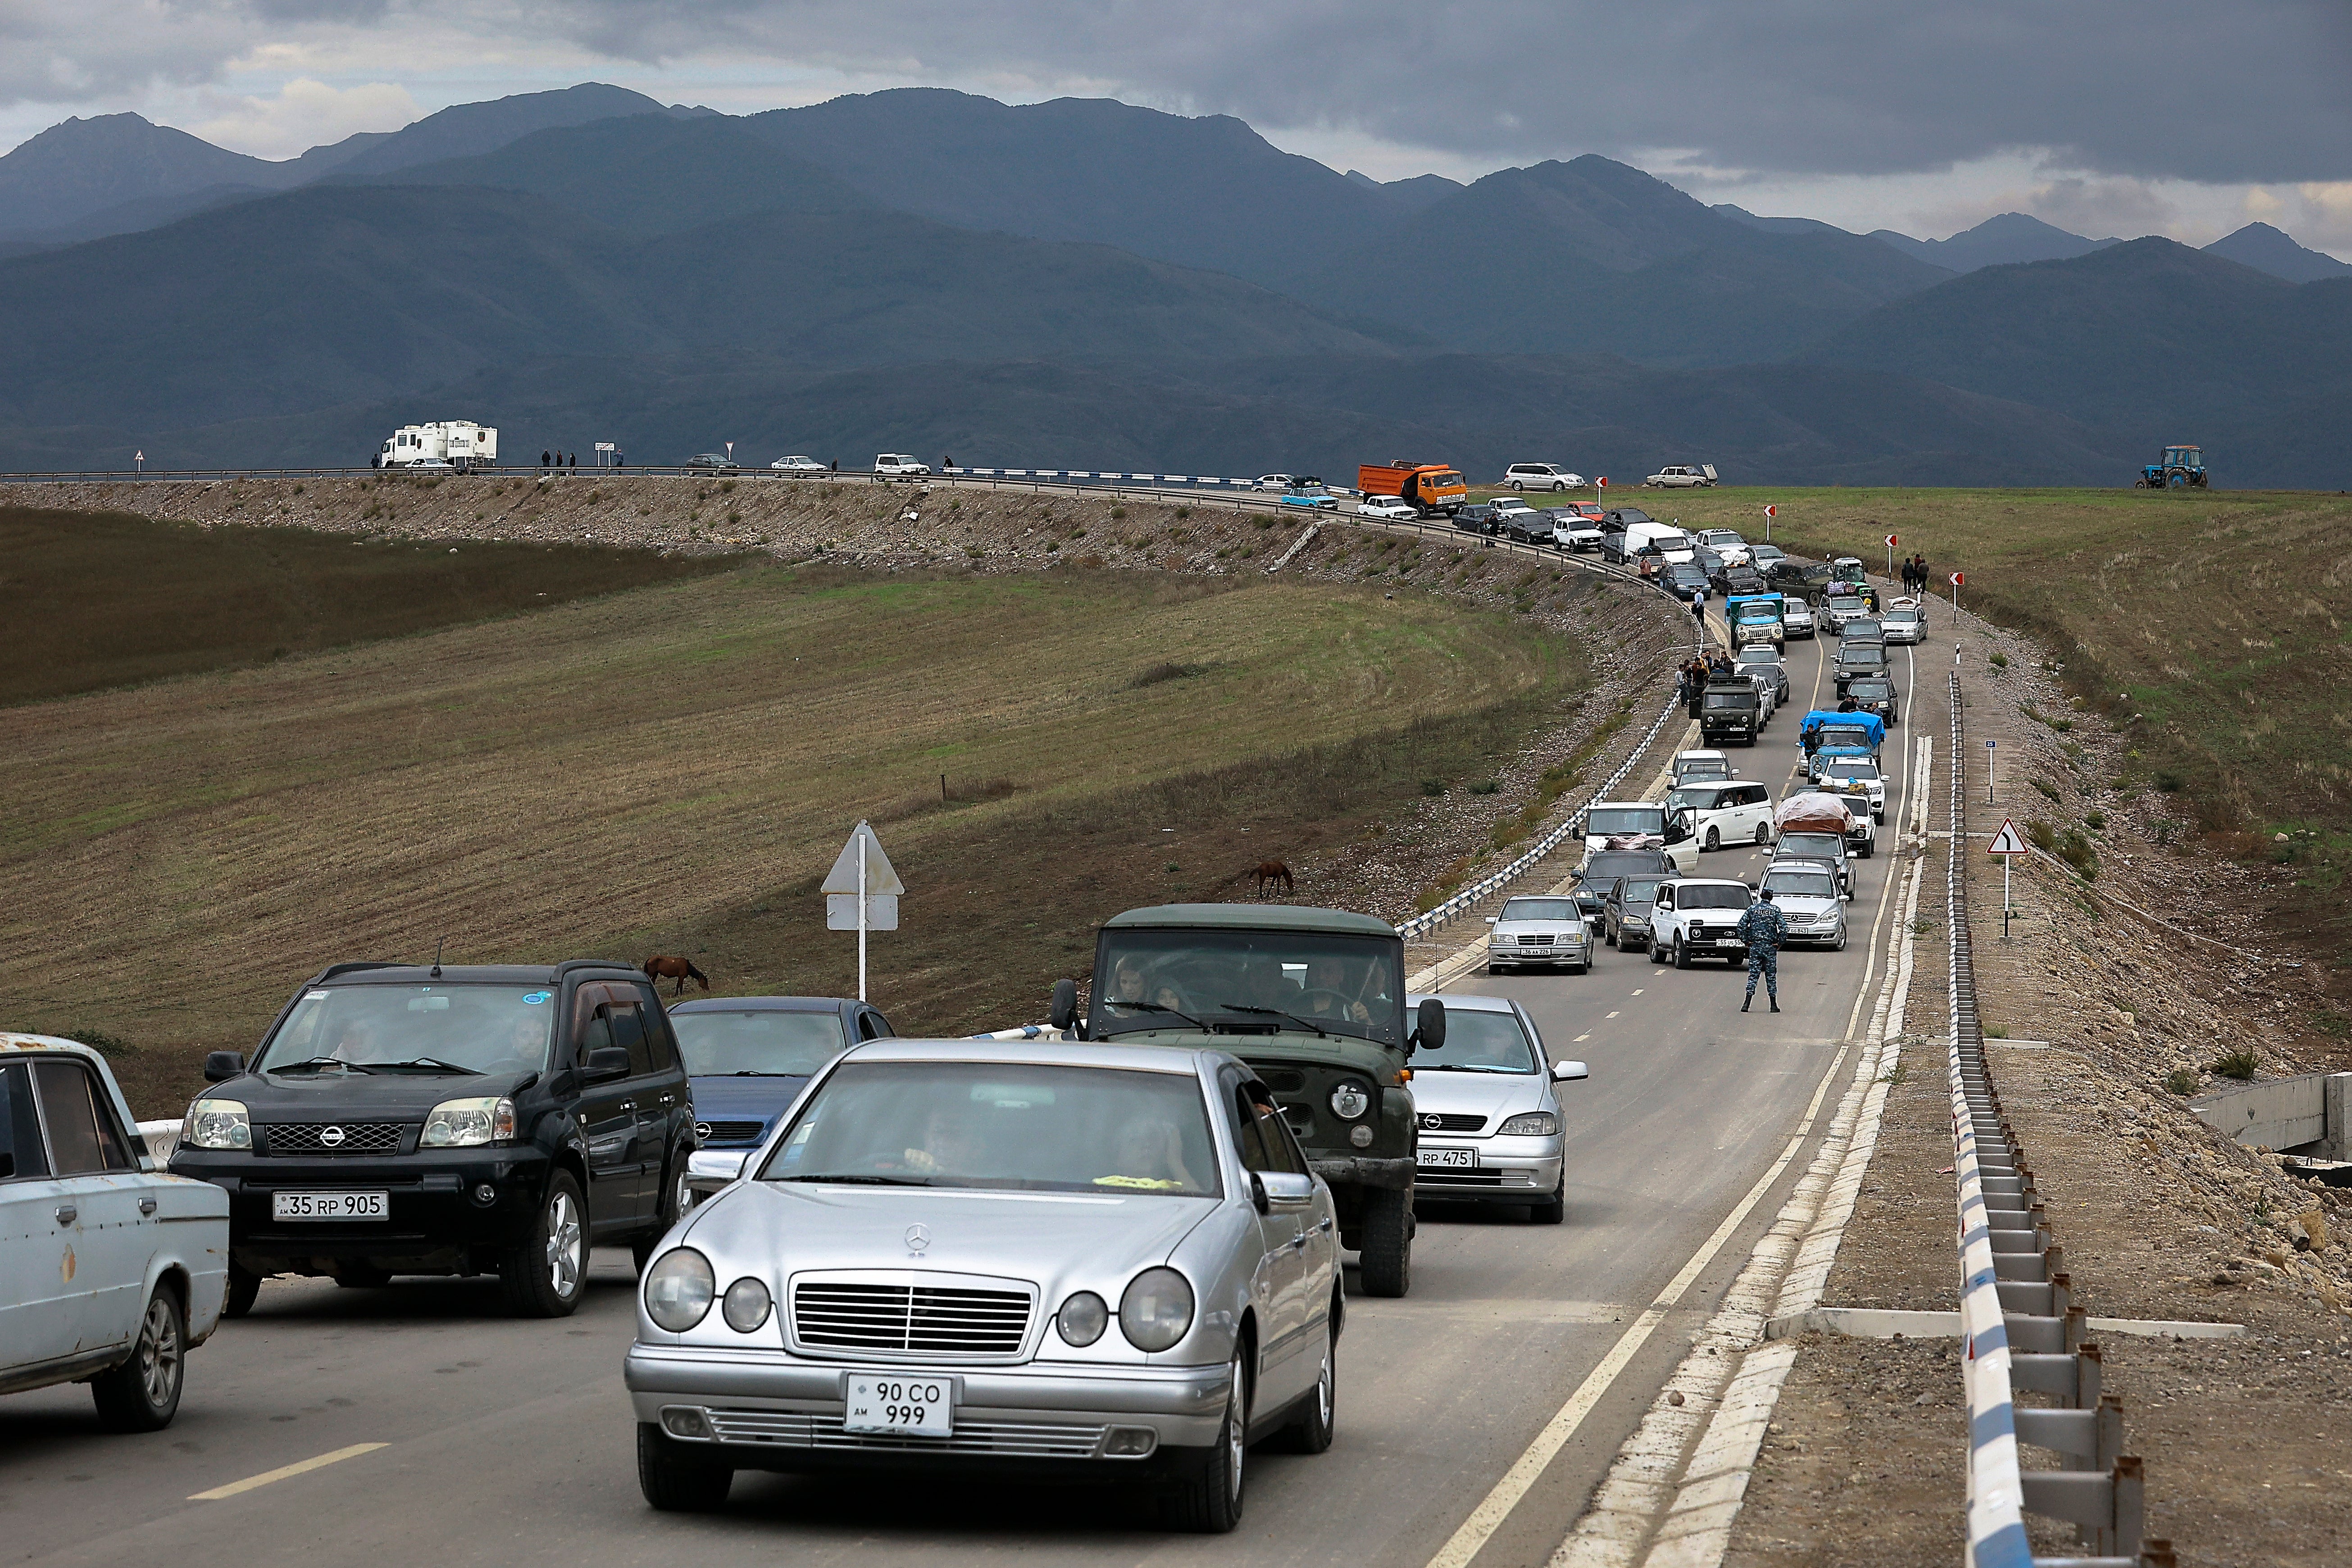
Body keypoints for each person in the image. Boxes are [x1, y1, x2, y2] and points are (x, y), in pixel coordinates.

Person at [1736, 887, 1788, 1013]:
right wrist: (1779, 943)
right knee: (1771, 976)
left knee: (1753, 975)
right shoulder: (1775, 910)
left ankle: (1746, 1004)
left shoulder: (1752, 909)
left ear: (1761, 896)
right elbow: (1784, 929)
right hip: (1770, 948)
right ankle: (1773, 1005)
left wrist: (1746, 941)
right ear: (1771, 897)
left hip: (1755, 947)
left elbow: (1741, 926)